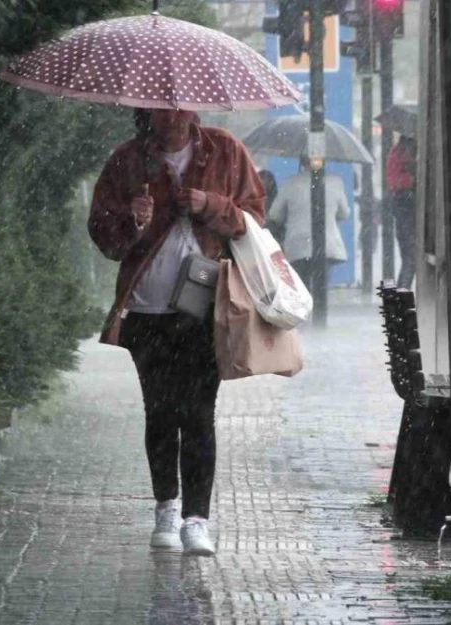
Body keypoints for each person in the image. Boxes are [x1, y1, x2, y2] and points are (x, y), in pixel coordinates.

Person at [88, 108, 265, 556]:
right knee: (161, 412)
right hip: (147, 309)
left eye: (179, 106)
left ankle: (197, 519)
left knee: (199, 413)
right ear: (146, 112)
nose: (171, 116)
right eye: (160, 108)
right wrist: (133, 221)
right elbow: (105, 238)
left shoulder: (224, 151)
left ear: (193, 107)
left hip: (205, 307)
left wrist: (213, 207)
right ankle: (166, 508)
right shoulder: (128, 160)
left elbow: (255, 222)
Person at [267, 156, 351, 288]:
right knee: (321, 286)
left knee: (302, 286)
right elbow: (344, 213)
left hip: (298, 244)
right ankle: (320, 306)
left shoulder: (290, 183)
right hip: (327, 243)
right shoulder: (335, 182)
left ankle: (308, 306)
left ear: (301, 162)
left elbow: (274, 215)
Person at [386, 135, 417, 288]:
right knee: (411, 259)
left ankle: (401, 298)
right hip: (406, 207)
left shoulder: (395, 152)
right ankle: (402, 296)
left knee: (408, 258)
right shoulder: (404, 155)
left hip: (399, 208)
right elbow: (400, 181)